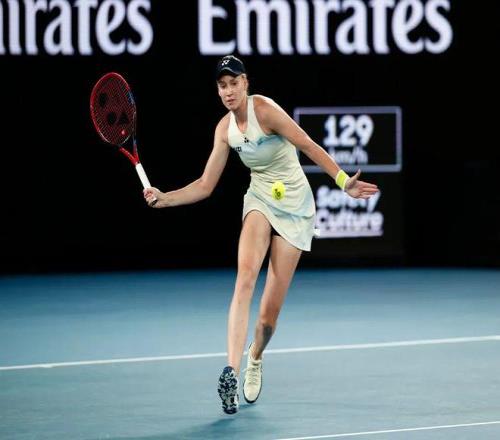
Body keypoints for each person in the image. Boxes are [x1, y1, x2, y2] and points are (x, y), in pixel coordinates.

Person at [143, 55, 378, 414]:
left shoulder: (265, 111)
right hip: (260, 199)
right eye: (222, 85)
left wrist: (344, 181)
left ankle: (255, 356)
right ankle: (231, 372)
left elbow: (308, 144)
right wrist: (165, 198)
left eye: (234, 83)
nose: (228, 91)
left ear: (245, 83)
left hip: (296, 207)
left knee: (267, 319)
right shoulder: (224, 130)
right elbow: (205, 185)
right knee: (245, 278)